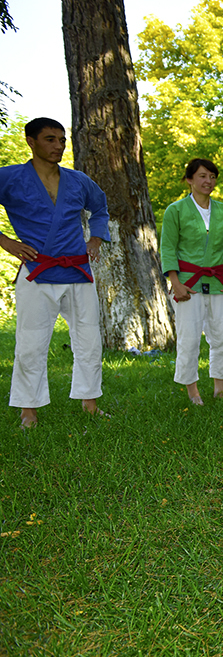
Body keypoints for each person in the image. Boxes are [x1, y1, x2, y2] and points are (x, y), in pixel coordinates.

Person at [0, 117, 109, 428]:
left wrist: (96, 238)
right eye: (50, 139)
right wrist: (6, 241)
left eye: (62, 140)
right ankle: (28, 411)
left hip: (78, 270)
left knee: (89, 339)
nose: (58, 146)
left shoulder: (78, 180)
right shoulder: (10, 178)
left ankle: (90, 403)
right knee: (31, 342)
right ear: (30, 141)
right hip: (38, 271)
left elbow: (99, 208)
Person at [160, 158, 223, 404]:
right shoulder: (175, 210)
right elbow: (167, 248)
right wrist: (175, 282)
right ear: (189, 180)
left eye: (212, 176)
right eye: (202, 176)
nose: (208, 181)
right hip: (188, 283)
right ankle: (193, 391)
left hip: (219, 282)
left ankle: (220, 388)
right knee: (189, 338)